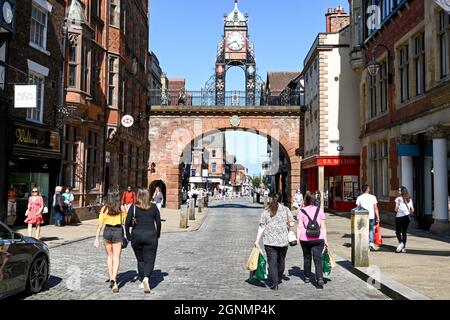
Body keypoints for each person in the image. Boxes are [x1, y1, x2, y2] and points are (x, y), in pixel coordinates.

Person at [254, 193, 295, 290]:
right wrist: (287, 224)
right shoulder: (286, 210)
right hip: (283, 241)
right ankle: (278, 276)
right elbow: (292, 223)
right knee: (281, 261)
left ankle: (275, 282)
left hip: (269, 241)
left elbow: (262, 226)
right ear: (281, 199)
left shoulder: (266, 210)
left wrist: (257, 240)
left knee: (272, 262)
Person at [126, 189, 161, 294]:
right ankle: (146, 278)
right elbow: (158, 223)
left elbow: (127, 222)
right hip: (150, 236)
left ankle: (142, 280)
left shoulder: (133, 207)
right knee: (149, 260)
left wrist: (128, 235)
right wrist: (158, 234)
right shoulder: (154, 207)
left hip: (136, 236)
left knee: (140, 260)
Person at [94, 192, 127, 293]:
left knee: (109, 256)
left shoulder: (104, 208)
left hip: (107, 231)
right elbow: (125, 221)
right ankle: (114, 280)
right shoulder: (121, 208)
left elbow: (100, 224)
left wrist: (96, 238)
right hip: (117, 231)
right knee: (116, 257)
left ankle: (111, 278)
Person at [298, 191, 328, 289]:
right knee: (318, 258)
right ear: (314, 200)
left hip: (305, 238)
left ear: (305, 200)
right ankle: (319, 278)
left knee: (307, 257)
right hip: (318, 238)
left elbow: (299, 226)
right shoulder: (319, 210)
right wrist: (326, 240)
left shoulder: (301, 211)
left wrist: (298, 238)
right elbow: (323, 227)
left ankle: (307, 277)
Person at [356, 184, 380, 251]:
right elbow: (375, 208)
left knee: (363, 230)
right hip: (371, 216)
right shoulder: (373, 197)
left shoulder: (359, 198)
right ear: (368, 189)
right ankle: (371, 243)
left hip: (362, 216)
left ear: (362, 190)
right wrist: (378, 217)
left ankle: (364, 244)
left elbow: (358, 208)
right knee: (371, 230)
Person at [394, 186, 414, 253]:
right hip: (407, 217)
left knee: (398, 232)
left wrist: (399, 207)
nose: (398, 192)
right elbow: (413, 210)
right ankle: (403, 248)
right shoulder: (409, 199)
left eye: (399, 190)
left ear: (402, 191)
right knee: (404, 232)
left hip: (399, 217)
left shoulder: (398, 199)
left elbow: (395, 209)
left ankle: (401, 243)